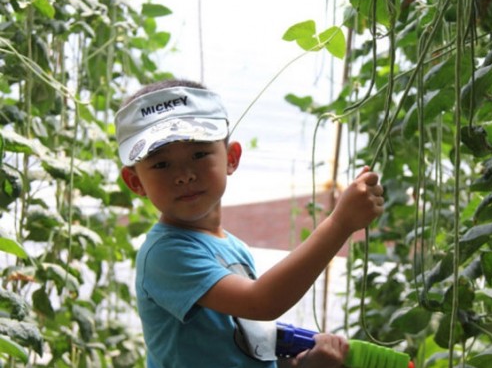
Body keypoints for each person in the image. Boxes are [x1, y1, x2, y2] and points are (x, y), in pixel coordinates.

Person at [114, 78, 385, 367]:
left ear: (231, 158)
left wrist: (304, 363)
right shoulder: (165, 255)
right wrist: (340, 224)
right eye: (161, 164)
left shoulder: (232, 248)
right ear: (135, 182)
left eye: (199, 153)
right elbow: (262, 303)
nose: (184, 174)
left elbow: (249, 348)